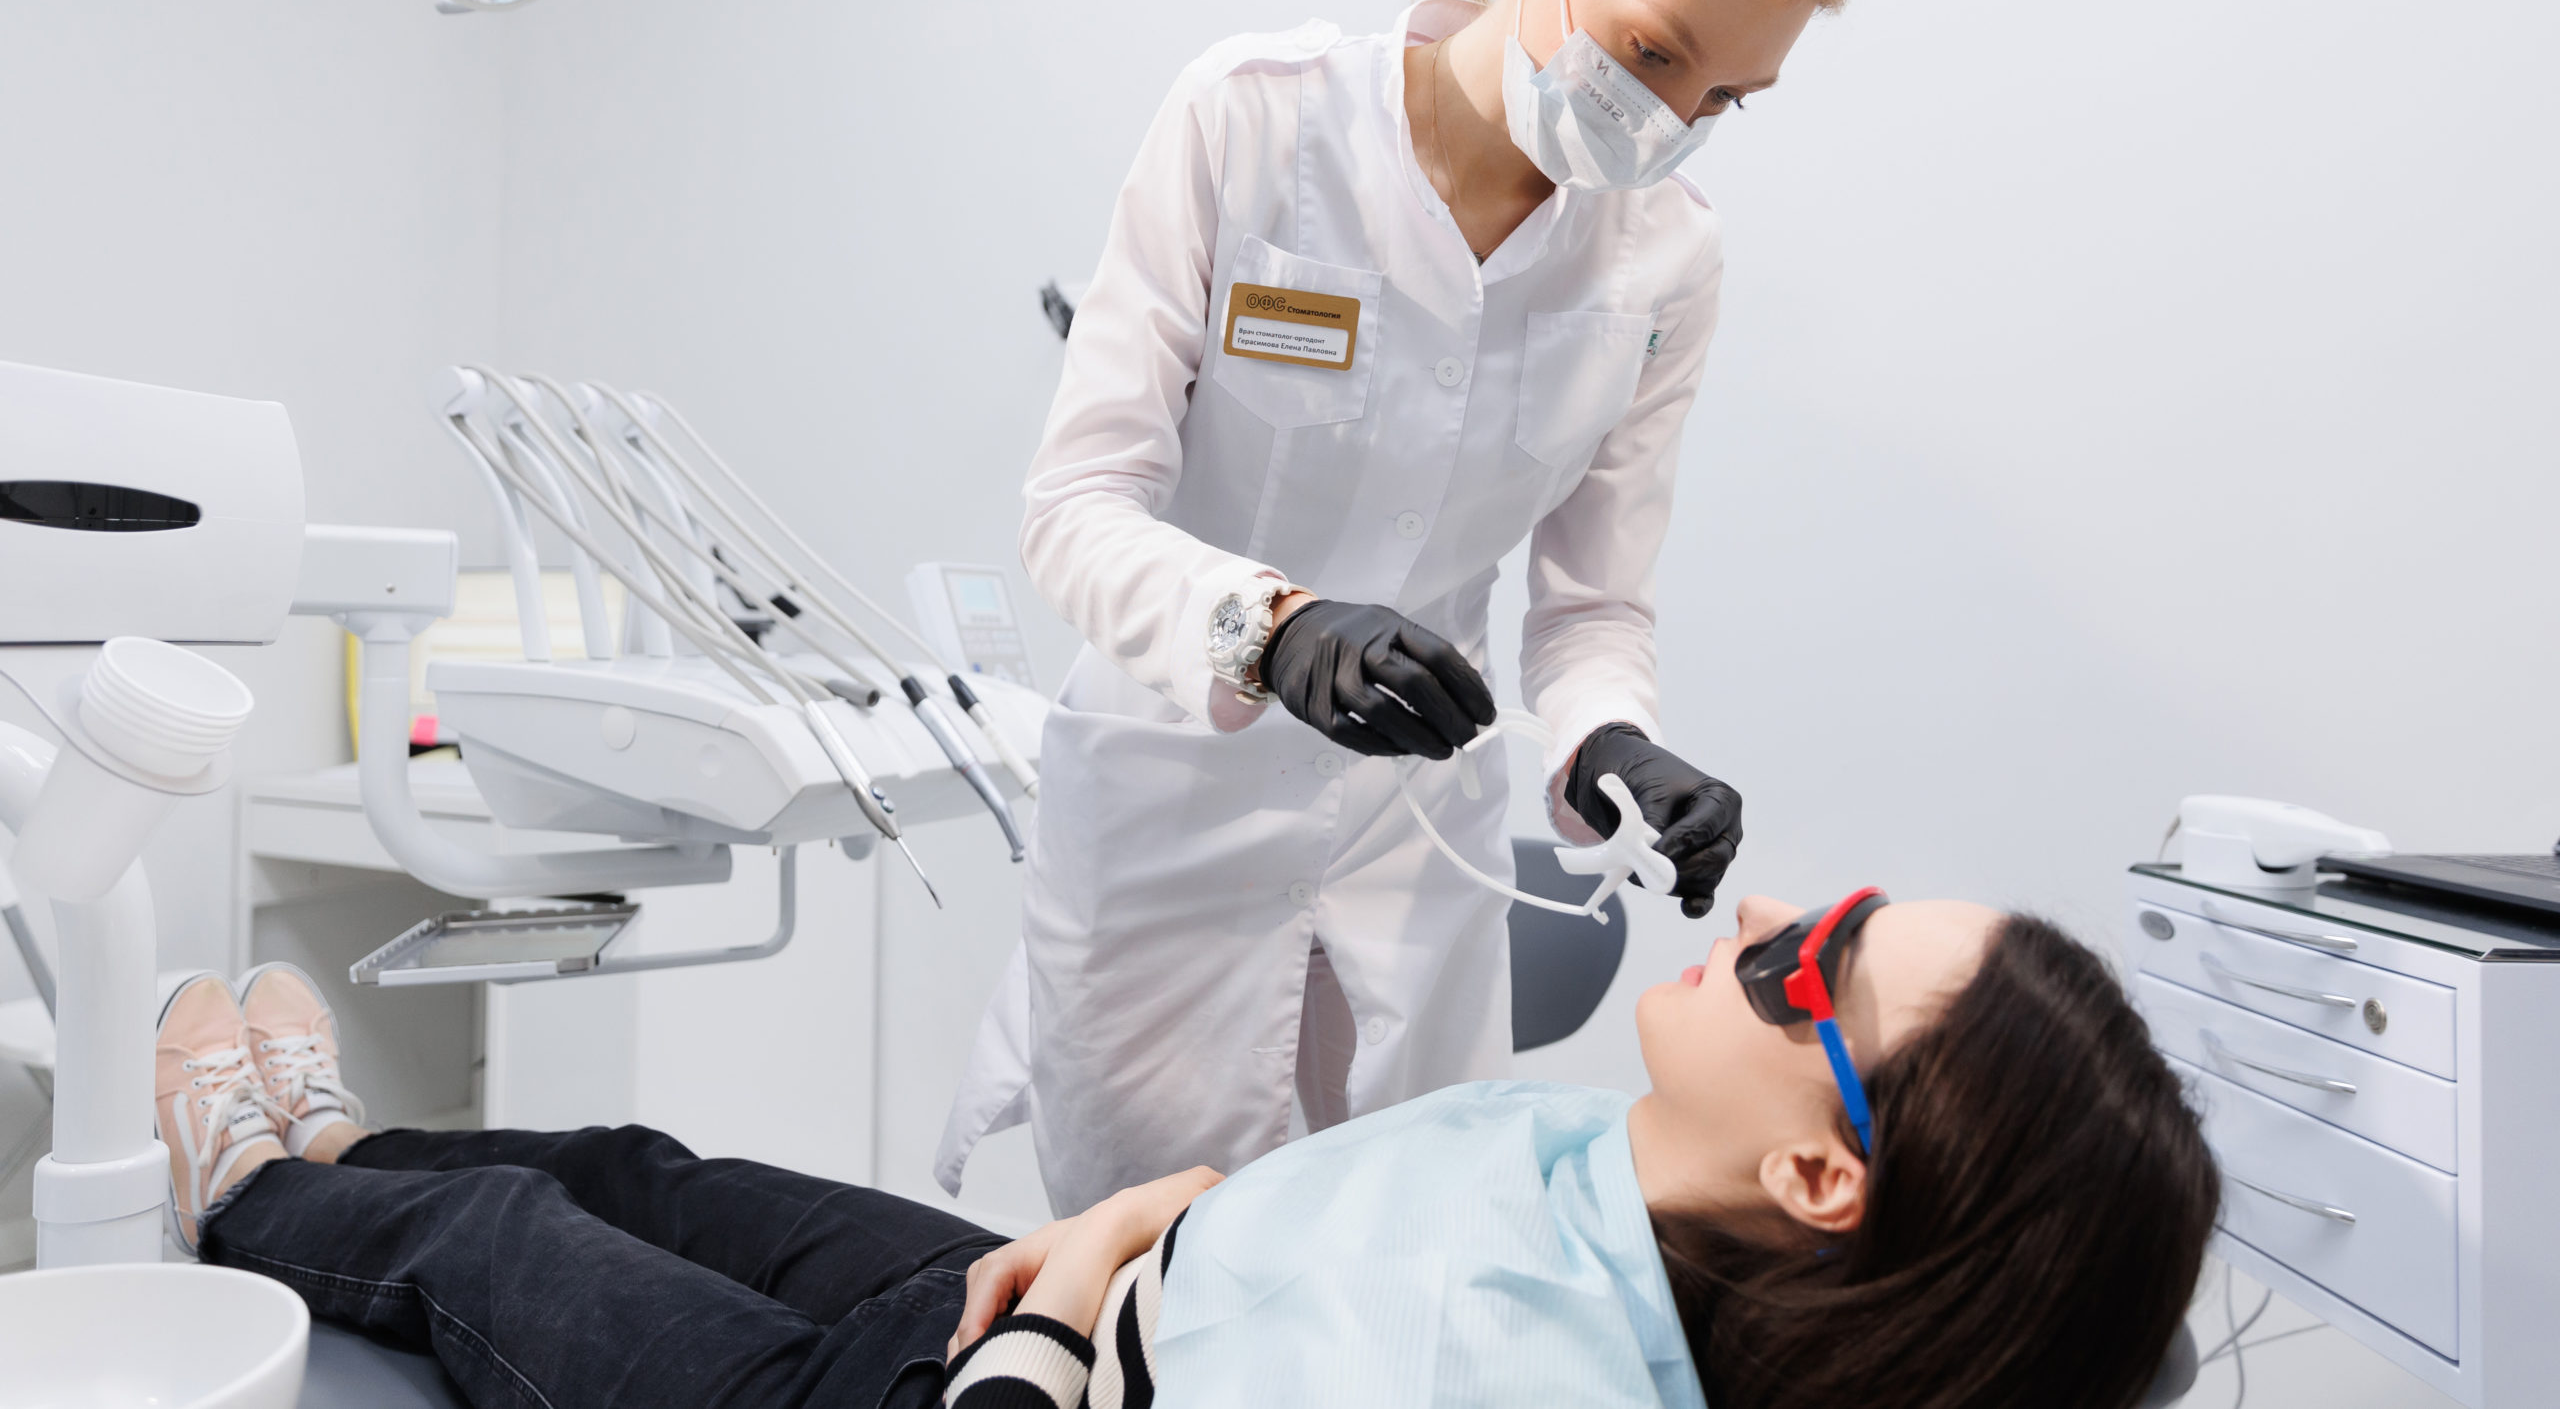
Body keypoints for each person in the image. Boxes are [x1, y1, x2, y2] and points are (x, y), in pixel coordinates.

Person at [944, 0, 1866, 1215]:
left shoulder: (1667, 260)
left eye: (1726, 98)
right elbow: (1076, 510)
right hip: (1169, 823)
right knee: (1149, 1270)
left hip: (1415, 840)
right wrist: (1275, 630)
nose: (1670, 117)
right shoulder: (1255, 124)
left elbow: (1592, 610)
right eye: (1651, 51)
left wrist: (1615, 745)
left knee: (1406, 1249)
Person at [166, 895, 2217, 1409]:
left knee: (498, 1239)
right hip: (1072, 1280)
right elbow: (1357, 1222)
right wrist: (1162, 1210)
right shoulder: (1649, 1192)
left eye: (1820, 962)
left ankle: (250, 1192)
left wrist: (1055, 1317)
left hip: (985, 1375)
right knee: (641, 1163)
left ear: (1823, 1179)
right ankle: (338, 1144)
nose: (1769, 914)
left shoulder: (1485, 1374)